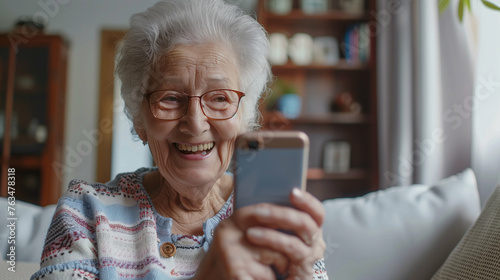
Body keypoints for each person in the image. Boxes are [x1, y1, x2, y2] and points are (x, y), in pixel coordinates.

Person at [31, 0, 328, 279]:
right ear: (140, 118)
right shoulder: (85, 212)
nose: (195, 123)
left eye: (220, 98)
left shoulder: (275, 219)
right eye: (171, 98)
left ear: (243, 118)